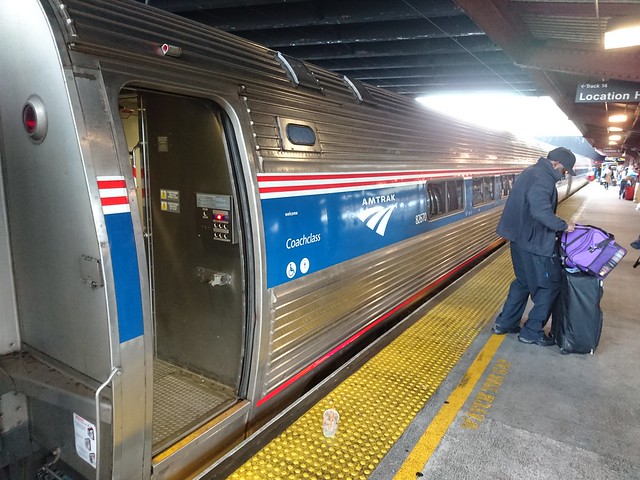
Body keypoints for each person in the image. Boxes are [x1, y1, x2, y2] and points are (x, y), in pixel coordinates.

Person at [492, 147, 577, 346]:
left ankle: (505, 323)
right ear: (555, 163)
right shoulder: (543, 179)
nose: (563, 174)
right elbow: (540, 212)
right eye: (564, 170)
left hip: (519, 239)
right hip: (534, 242)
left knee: (522, 282)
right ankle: (531, 332)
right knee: (549, 285)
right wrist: (564, 226)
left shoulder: (530, 172)